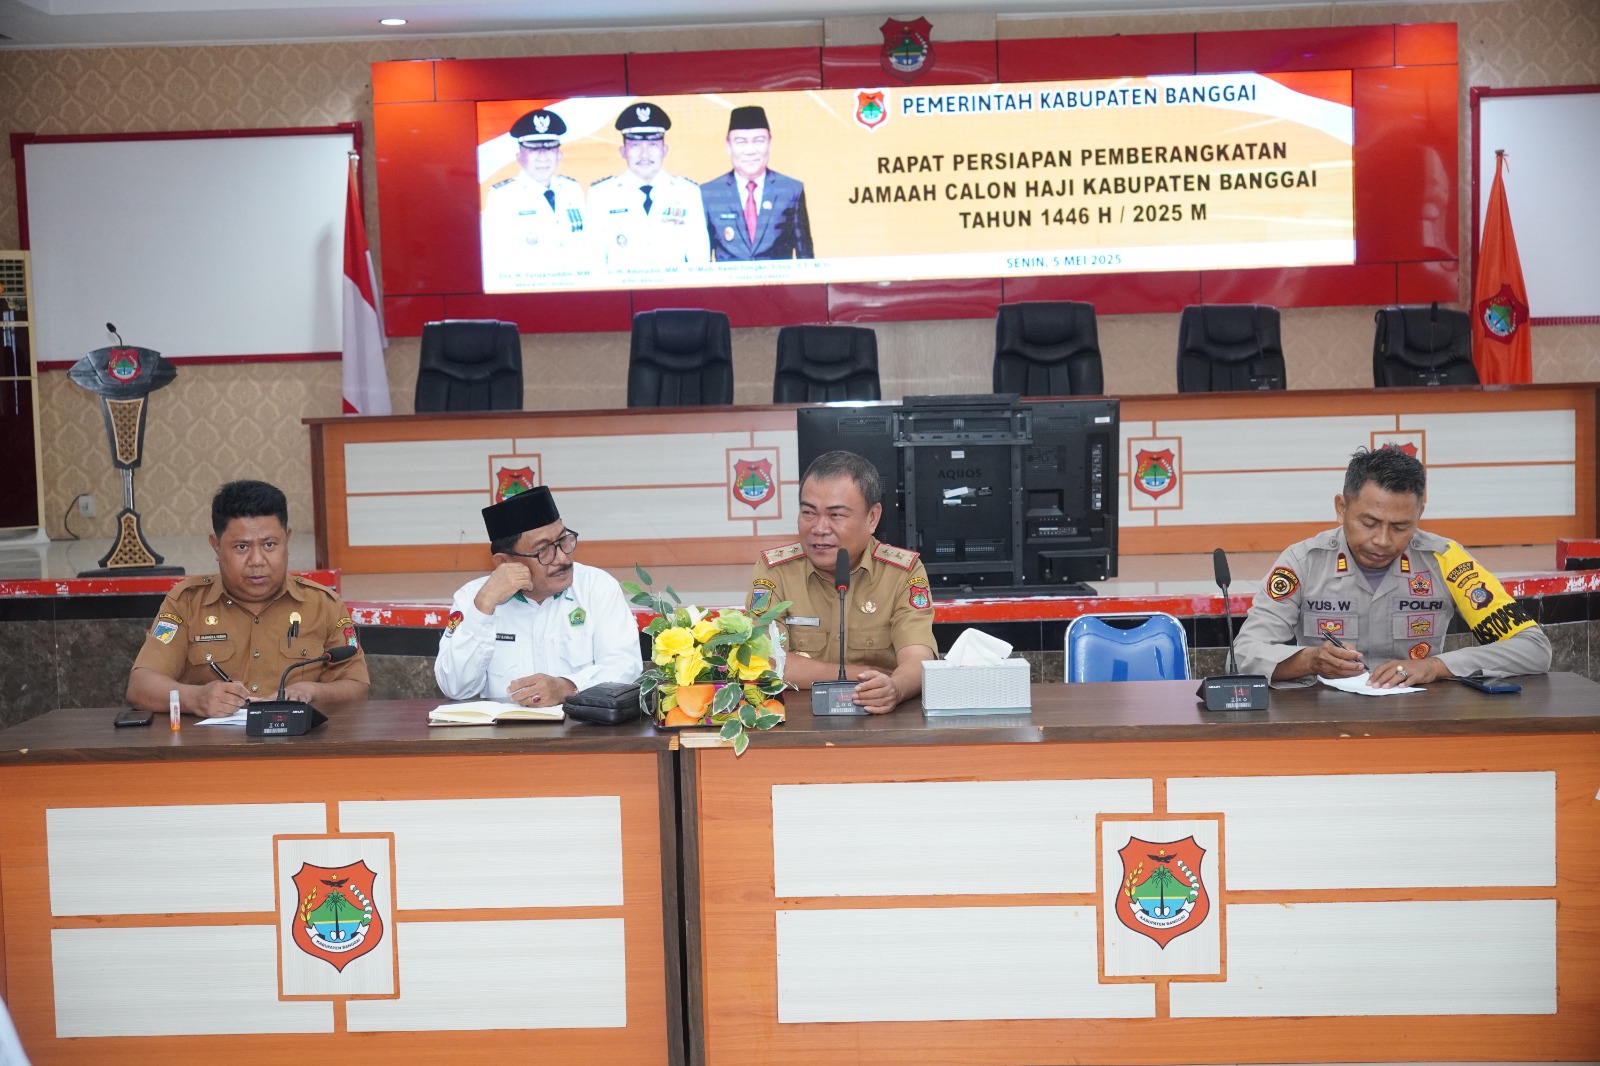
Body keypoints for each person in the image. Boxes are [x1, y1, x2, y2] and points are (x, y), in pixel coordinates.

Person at [1235, 445, 1551, 688]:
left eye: (1401, 527)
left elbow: (1533, 648)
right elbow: (1243, 653)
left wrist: (1436, 666)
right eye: (1369, 523)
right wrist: (1308, 660)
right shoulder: (1303, 562)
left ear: (1419, 514)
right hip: (1325, 722)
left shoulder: (1446, 560)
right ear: (1341, 508)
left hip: (1419, 721)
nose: (1383, 540)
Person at [126, 480, 369, 718]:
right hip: (210, 742)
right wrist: (196, 698)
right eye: (242, 547)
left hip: (297, 740)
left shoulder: (323, 605)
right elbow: (140, 686)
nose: (257, 561)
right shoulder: (186, 603)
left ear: (287, 540)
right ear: (216, 546)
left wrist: (311, 692)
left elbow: (357, 687)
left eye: (269, 544)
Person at [746, 450, 936, 713]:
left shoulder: (902, 572)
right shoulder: (775, 571)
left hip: (879, 719)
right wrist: (863, 675)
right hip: (799, 719)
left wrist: (894, 688)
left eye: (836, 515)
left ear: (872, 517)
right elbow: (765, 661)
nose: (819, 528)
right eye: (809, 512)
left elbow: (918, 659)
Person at [435, 485, 641, 706]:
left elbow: (625, 667)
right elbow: (455, 688)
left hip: (580, 725)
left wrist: (567, 687)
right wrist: (483, 608)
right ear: (504, 562)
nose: (562, 558)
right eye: (543, 550)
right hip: (504, 728)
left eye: (563, 541)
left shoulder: (596, 587)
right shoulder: (472, 598)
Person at [585, 102, 711, 272]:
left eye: (653, 145)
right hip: (622, 287)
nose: (644, 154)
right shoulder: (601, 195)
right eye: (635, 145)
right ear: (623, 151)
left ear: (664, 150)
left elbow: (699, 259)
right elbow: (594, 261)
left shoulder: (687, 192)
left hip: (676, 287)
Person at [480, 108, 587, 278]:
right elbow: (492, 261)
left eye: (549, 148)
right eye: (534, 149)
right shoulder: (503, 197)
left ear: (559, 155)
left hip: (574, 287)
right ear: (519, 157)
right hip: (526, 289)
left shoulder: (572, 190)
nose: (542, 157)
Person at [700, 105, 814, 261]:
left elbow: (806, 259)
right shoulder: (709, 194)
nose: (750, 151)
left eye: (759, 141)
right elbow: (700, 260)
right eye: (741, 142)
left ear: (769, 144)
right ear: (728, 146)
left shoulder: (791, 190)